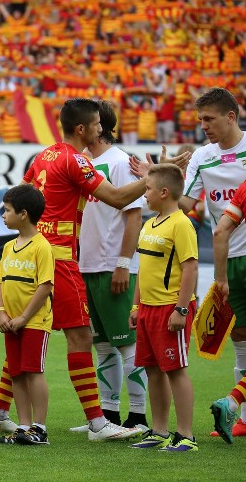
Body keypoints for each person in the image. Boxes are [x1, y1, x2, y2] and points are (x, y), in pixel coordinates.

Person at [0, 98, 160, 441]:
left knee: (24, 335)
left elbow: (22, 197)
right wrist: (154, 177)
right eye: (96, 125)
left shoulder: (43, 156)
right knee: (79, 336)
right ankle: (98, 423)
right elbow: (119, 198)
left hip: (30, 251)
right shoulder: (76, 160)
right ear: (82, 128)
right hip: (59, 257)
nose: (100, 130)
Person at [179, 88, 246, 440]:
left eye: (210, 119)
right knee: (240, 337)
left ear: (231, 116)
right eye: (200, 120)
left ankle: (237, 406)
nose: (203, 126)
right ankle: (242, 415)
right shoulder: (202, 157)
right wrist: (154, 177)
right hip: (227, 257)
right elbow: (185, 202)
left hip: (237, 255)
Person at [77, 101, 148, 431]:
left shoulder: (119, 163)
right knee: (102, 343)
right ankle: (108, 416)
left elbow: (134, 216)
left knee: (126, 343)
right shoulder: (88, 165)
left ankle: (138, 416)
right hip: (89, 265)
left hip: (113, 265)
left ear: (97, 126)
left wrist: (123, 263)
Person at [129, 164, 198, 452]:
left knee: (175, 370)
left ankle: (186, 435)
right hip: (147, 309)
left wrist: (181, 310)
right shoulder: (149, 224)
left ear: (164, 192)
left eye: (147, 189)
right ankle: (159, 430)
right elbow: (143, 268)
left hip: (171, 309)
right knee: (152, 370)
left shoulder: (182, 224)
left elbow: (191, 267)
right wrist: (135, 305)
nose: (144, 195)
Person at [0, 184, 54, 445]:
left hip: (34, 322)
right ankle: (23, 426)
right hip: (11, 323)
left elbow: (45, 286)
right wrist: (2, 313)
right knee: (16, 373)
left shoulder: (42, 247)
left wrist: (24, 318)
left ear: (24, 214)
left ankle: (39, 428)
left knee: (33, 371)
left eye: (7, 211)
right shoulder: (8, 247)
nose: (3, 216)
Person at [210, 176, 246, 443]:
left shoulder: (244, 187)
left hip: (234, 268)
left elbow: (221, 230)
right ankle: (232, 403)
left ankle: (242, 420)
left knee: (243, 343)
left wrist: (221, 279)